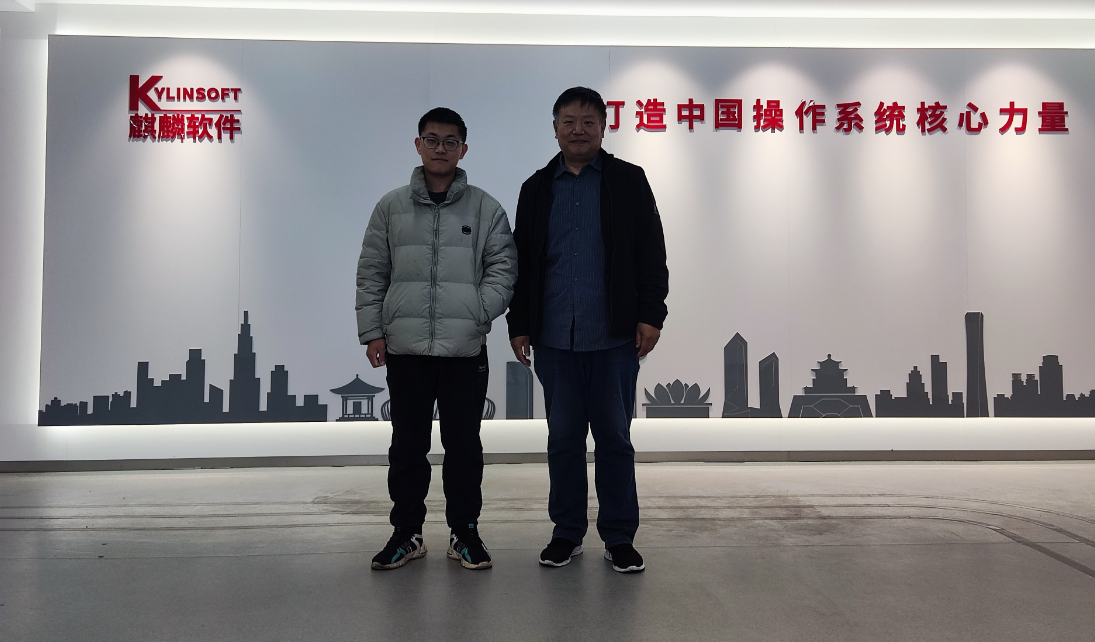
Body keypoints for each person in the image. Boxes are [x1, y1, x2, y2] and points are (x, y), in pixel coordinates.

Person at [507, 87, 669, 573]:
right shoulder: (537, 188)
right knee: (563, 441)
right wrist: (519, 323)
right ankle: (567, 532)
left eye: (588, 121)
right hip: (555, 337)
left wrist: (651, 314)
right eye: (569, 121)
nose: (578, 130)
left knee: (615, 440)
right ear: (555, 128)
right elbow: (522, 264)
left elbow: (651, 252)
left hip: (614, 337)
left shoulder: (628, 180)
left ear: (603, 126)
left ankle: (619, 537)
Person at [357, 107, 517, 571]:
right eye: (432, 140)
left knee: (464, 447)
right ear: (418, 145)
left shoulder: (485, 208)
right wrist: (373, 331)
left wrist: (477, 312)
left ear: (463, 149)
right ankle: (406, 534)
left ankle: (464, 533)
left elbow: (504, 267)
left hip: (464, 350)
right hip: (405, 349)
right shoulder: (391, 207)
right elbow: (372, 272)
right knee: (407, 447)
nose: (440, 148)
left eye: (450, 141)